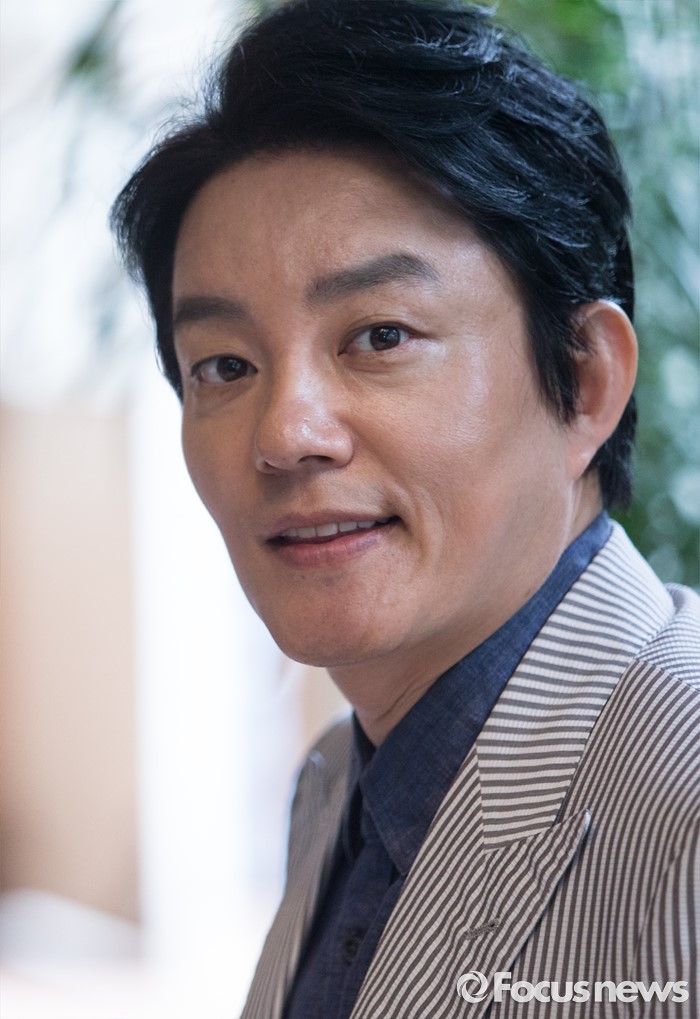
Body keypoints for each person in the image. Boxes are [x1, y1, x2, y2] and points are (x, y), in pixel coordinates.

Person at [111, 1, 699, 1015]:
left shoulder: (680, 803)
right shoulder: (338, 780)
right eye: (225, 365)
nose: (286, 432)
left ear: (584, 380)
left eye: (380, 336)